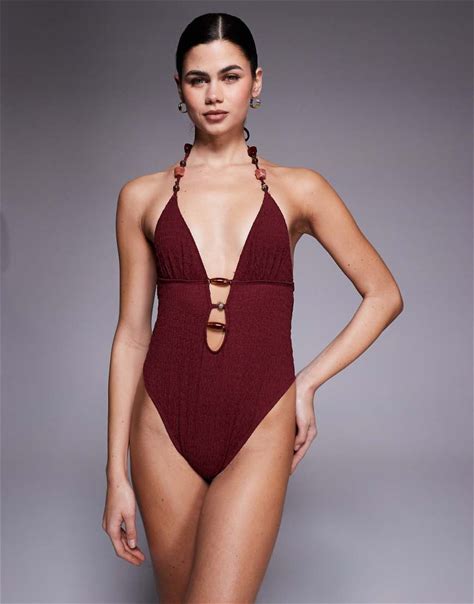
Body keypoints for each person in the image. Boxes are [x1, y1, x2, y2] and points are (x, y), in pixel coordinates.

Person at [102, 12, 404, 603]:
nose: (214, 94)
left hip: (259, 423)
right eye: (198, 79)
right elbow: (132, 334)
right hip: (161, 428)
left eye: (230, 76)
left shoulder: (300, 189)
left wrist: (306, 385)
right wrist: (115, 473)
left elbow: (384, 294)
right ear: (179, 87)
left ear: (256, 82)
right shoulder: (140, 196)